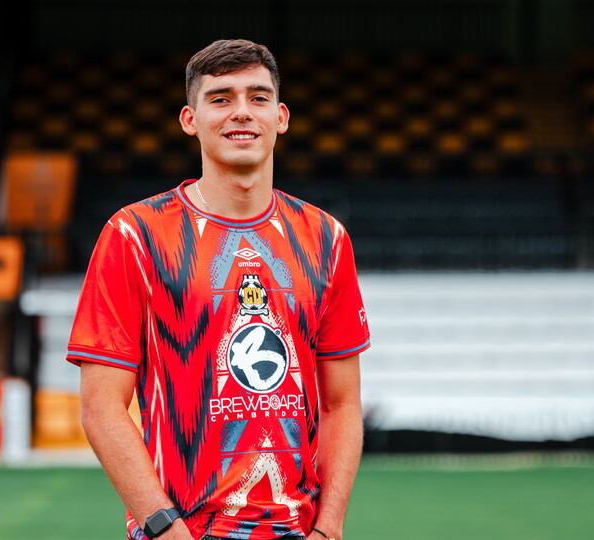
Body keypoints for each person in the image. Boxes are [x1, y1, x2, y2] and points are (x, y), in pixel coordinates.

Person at [67, 39, 370, 540]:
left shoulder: (327, 239)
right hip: (184, 529)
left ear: (281, 116)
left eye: (258, 96)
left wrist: (330, 528)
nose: (242, 113)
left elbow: (342, 404)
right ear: (190, 119)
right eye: (221, 98)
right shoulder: (134, 235)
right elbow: (101, 406)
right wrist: (164, 527)